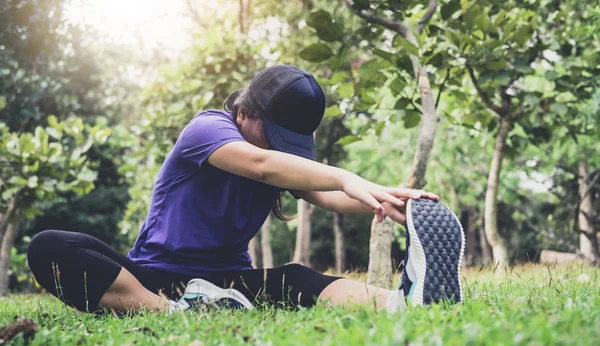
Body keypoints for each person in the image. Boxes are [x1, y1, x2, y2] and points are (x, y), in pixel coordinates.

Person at [27, 65, 464, 314]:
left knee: (298, 278)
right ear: (244, 113)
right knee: (49, 245)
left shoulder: (274, 151)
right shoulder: (207, 128)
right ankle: (177, 314)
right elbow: (261, 166)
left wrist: (383, 197)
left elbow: (325, 195)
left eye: (290, 143)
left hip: (228, 286)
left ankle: (402, 303)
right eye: (273, 135)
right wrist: (349, 177)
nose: (279, 148)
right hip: (153, 276)